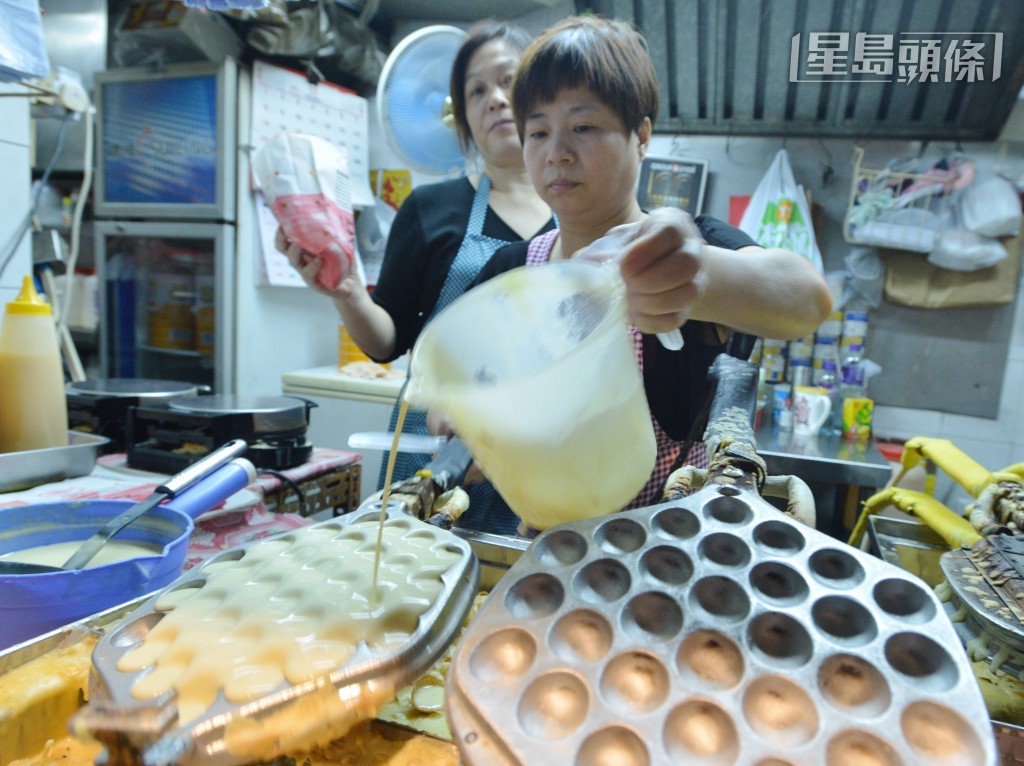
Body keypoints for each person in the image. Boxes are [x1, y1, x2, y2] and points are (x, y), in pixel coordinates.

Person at [471, 15, 833, 517]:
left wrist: (701, 278)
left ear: (641, 135)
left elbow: (807, 299)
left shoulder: (684, 247)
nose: (557, 153)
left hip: (669, 550)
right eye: (537, 132)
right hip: (545, 544)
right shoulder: (511, 272)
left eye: (583, 126)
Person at [276, 20, 554, 534]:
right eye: (476, 91)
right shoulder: (432, 208)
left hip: (541, 454)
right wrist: (347, 292)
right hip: (435, 446)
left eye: (508, 81)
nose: (494, 99)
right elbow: (388, 341)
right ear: (463, 117)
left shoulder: (579, 216)